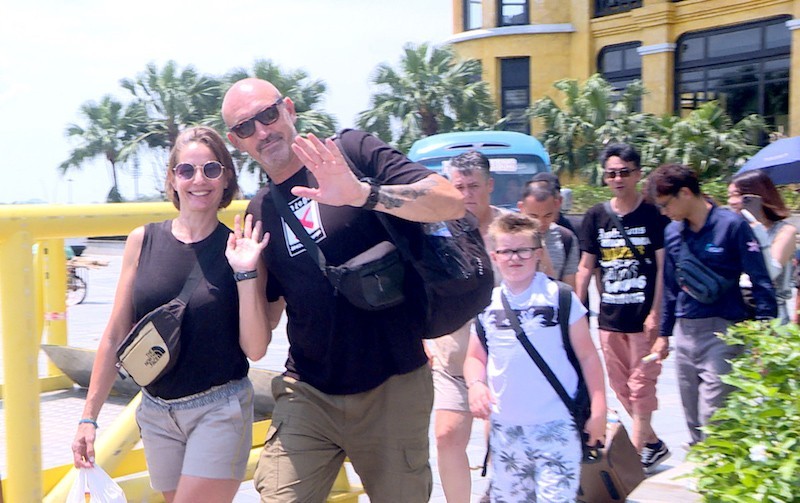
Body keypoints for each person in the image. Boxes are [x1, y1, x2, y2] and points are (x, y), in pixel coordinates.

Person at [221, 78, 465, 503]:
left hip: (393, 384)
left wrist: (364, 194)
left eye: (268, 114)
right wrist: (244, 274)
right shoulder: (260, 211)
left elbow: (448, 201)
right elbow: (264, 330)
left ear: (289, 109)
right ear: (236, 141)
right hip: (309, 393)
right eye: (246, 127)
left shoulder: (352, 152)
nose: (262, 131)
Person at [72, 126, 273, 503]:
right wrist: (88, 418)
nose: (199, 180)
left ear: (226, 177)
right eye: (187, 170)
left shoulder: (239, 248)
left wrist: (246, 272)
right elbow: (115, 335)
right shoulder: (142, 240)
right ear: (173, 179)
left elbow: (257, 348)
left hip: (219, 407)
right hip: (156, 411)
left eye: (211, 170)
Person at [463, 212, 607, 502]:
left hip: (557, 425)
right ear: (495, 255)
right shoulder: (486, 305)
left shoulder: (560, 297)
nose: (515, 258)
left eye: (523, 251)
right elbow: (474, 358)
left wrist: (600, 410)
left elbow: (589, 357)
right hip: (507, 430)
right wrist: (475, 385)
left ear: (538, 254)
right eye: (506, 252)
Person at [649, 163, 777, 446]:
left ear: (684, 193)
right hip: (686, 332)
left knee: (714, 416)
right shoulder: (672, 233)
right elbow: (671, 288)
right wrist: (663, 335)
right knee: (692, 417)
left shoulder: (731, 226)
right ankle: (706, 479)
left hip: (724, 331)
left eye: (665, 204)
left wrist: (765, 335)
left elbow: (761, 281)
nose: (663, 211)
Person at [575, 143, 671, 473]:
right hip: (610, 319)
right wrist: (578, 308)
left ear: (637, 174)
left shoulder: (653, 215)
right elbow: (586, 267)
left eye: (624, 172)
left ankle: (636, 452)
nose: (618, 179)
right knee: (620, 386)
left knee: (641, 386)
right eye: (612, 173)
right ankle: (654, 443)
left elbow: (662, 268)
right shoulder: (596, 216)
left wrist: (656, 313)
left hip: (644, 318)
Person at [428, 150, 503, 503]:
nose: (467, 193)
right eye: (459, 186)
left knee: (499, 441)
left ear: (489, 185)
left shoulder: (512, 230)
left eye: (474, 186)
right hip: (452, 359)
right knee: (445, 436)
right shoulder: (435, 231)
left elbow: (545, 285)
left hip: (505, 364)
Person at [728, 170, 797, 324]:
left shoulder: (785, 231)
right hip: (739, 313)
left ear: (757, 196)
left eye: (737, 195)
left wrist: (758, 232)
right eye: (729, 196)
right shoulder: (734, 230)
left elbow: (771, 273)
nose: (732, 201)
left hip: (773, 316)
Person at [518, 180, 580, 288]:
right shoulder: (507, 239)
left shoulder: (566, 238)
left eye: (547, 216)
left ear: (556, 205)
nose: (540, 223)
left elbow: (569, 287)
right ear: (521, 207)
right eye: (533, 216)